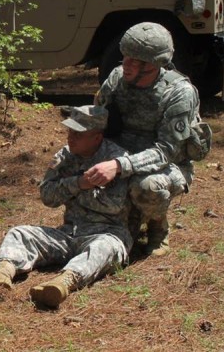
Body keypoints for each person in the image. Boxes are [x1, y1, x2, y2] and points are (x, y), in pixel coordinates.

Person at [0, 105, 132, 308]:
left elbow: (113, 206)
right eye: (69, 131)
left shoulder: (117, 161)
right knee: (20, 233)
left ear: (97, 138)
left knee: (102, 249)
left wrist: (70, 191)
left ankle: (64, 282)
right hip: (69, 234)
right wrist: (80, 184)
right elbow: (47, 196)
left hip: (107, 233)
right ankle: (3, 272)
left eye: (78, 134)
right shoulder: (65, 155)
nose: (70, 138)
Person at [87, 22, 204, 257]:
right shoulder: (117, 78)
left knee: (146, 188)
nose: (126, 65)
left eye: (135, 61)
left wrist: (119, 166)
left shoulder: (179, 92)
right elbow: (97, 119)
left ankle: (158, 227)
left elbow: (166, 151)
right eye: (126, 57)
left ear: (154, 64)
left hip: (166, 165)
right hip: (120, 155)